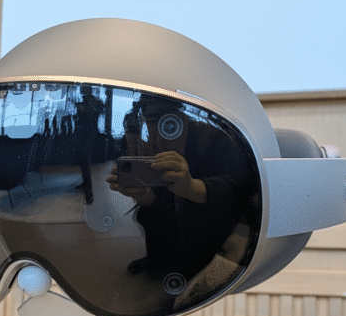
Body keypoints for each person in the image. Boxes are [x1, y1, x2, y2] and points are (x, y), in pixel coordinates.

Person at [107, 96, 254, 281]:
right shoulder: (150, 141)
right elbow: (162, 213)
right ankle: (159, 262)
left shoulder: (216, 137)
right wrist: (147, 198)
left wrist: (193, 188)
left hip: (213, 255)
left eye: (167, 123)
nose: (153, 136)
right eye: (147, 124)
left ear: (185, 116)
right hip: (172, 259)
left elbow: (242, 192)